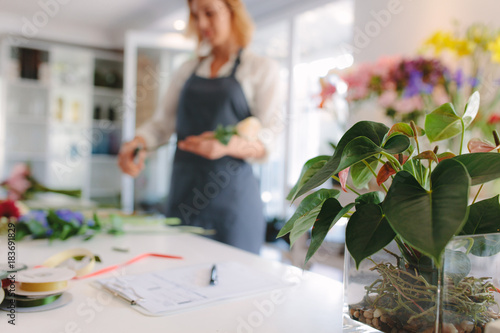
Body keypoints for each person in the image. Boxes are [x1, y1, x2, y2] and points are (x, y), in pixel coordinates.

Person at [118, 0, 282, 254]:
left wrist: (226, 144)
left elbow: (268, 139)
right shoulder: (187, 69)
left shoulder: (260, 69)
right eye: (196, 15)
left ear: (232, 11)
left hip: (233, 207)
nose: (202, 23)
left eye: (210, 12)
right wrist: (136, 144)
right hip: (183, 199)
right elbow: (162, 124)